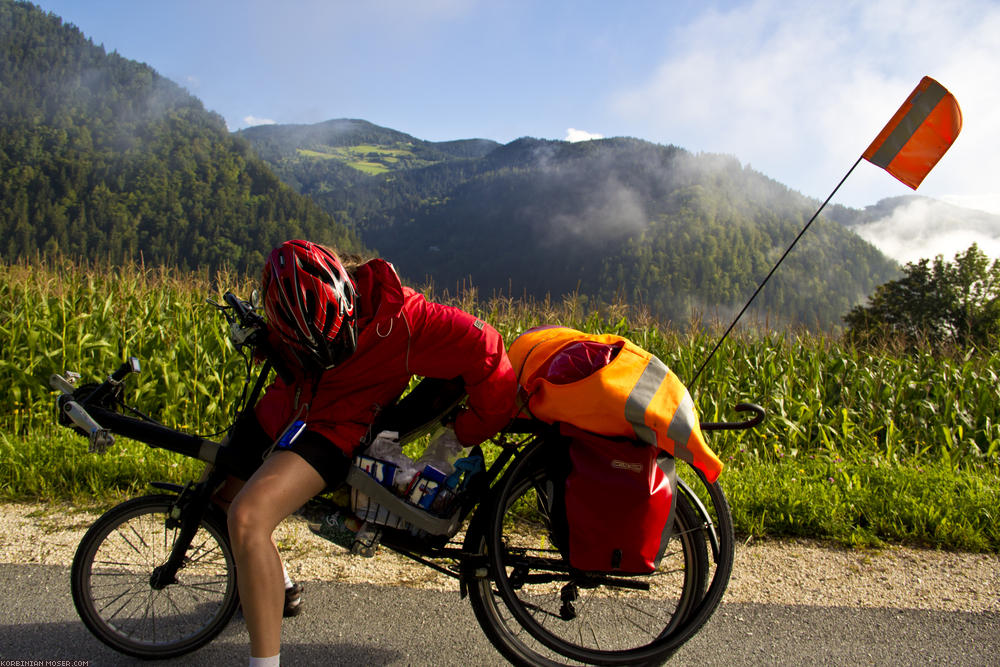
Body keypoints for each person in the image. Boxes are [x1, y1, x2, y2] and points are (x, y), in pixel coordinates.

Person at [220, 240, 516, 667]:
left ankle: (264, 662)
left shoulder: (404, 321)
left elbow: (486, 347)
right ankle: (279, 587)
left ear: (347, 294)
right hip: (289, 405)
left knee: (247, 518)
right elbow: (304, 348)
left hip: (334, 431)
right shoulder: (297, 309)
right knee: (222, 484)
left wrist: (471, 429)